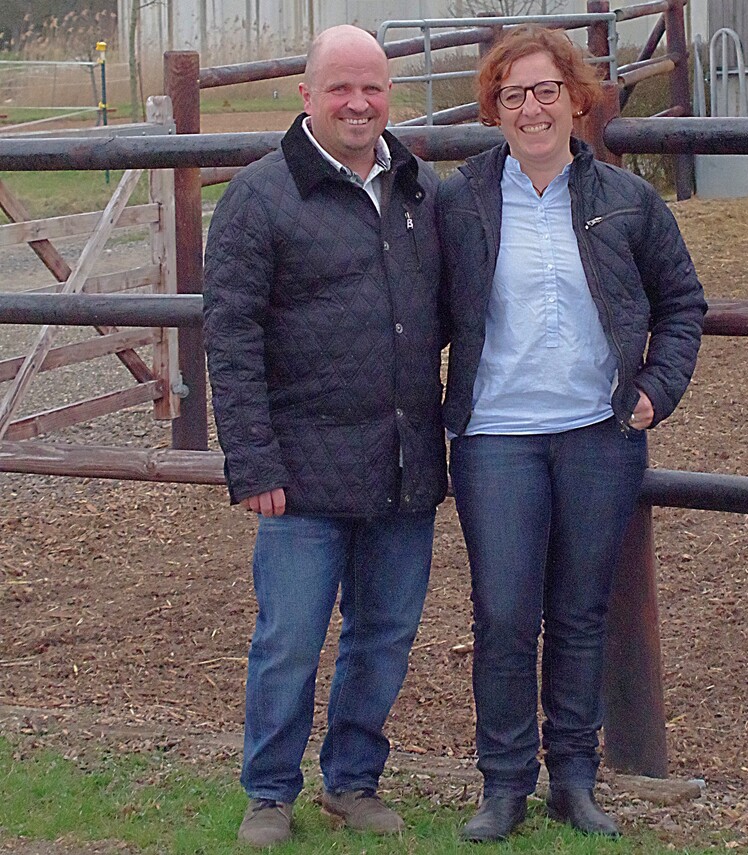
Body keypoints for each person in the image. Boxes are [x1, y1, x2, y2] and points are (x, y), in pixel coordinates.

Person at [437, 24, 707, 843]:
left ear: (575, 98)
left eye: (546, 90)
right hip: (496, 437)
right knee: (506, 613)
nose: (532, 108)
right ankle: (504, 782)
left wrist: (656, 392)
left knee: (581, 612)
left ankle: (576, 780)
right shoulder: (461, 200)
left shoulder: (627, 200)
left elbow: (682, 304)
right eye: (514, 94)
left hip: (598, 434)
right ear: (494, 105)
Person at [202, 25, 446, 848]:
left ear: (390, 95)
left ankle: (351, 780)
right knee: (290, 640)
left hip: (404, 462)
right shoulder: (261, 198)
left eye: (372, 87)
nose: (358, 103)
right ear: (305, 95)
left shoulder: (415, 189)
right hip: (301, 473)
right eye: (340, 87)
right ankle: (269, 791)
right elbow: (230, 339)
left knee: (384, 634)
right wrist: (253, 459)